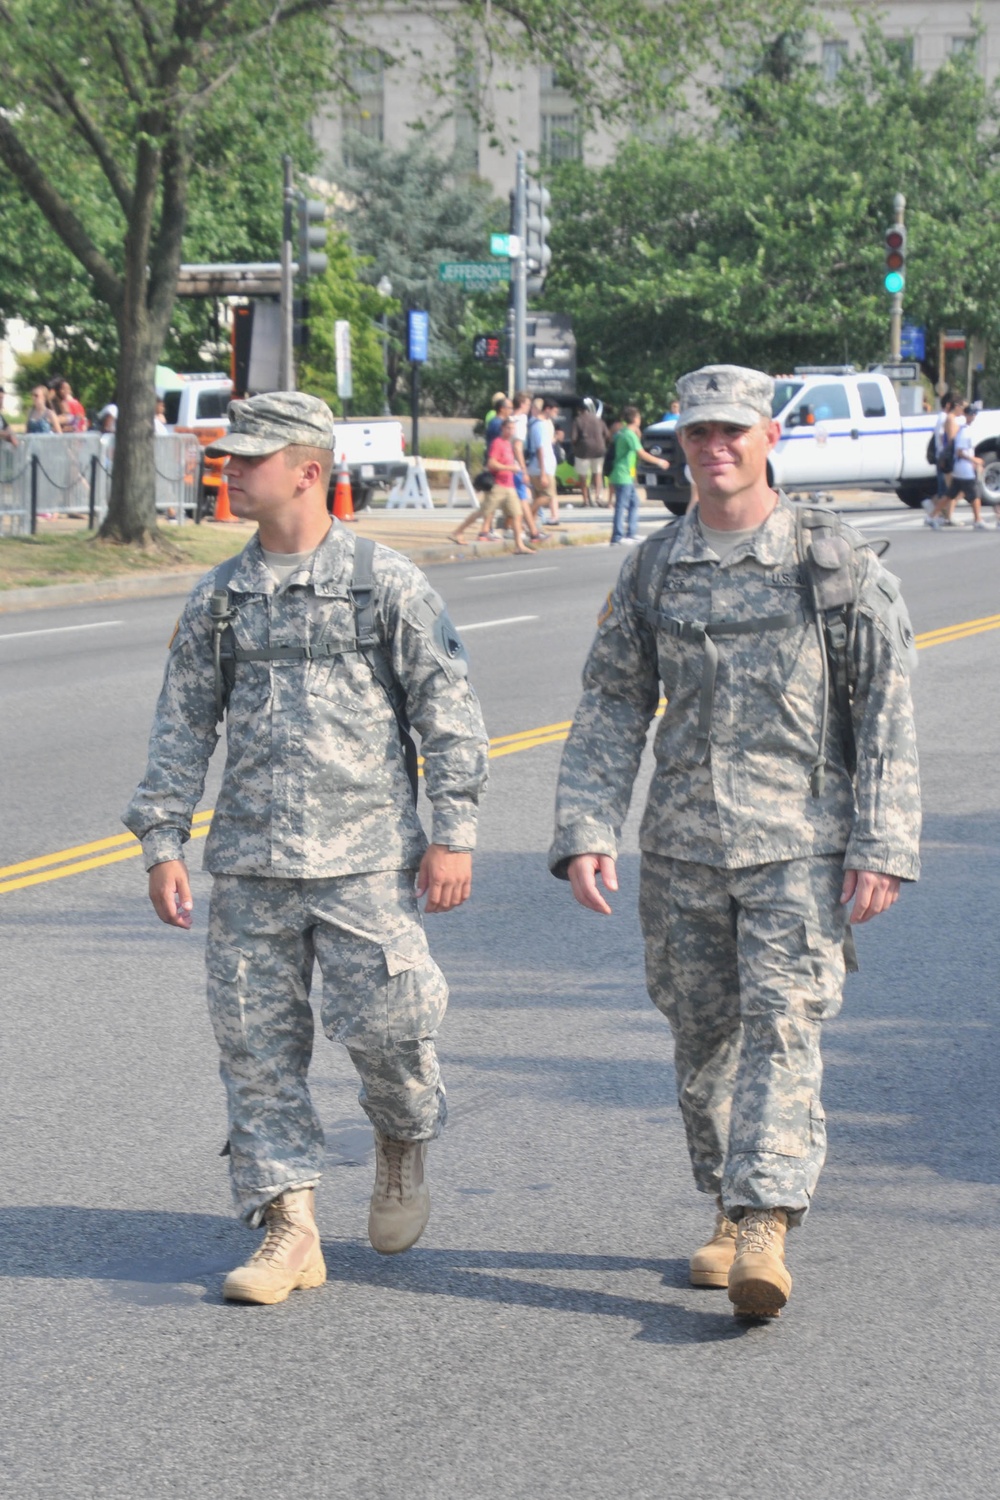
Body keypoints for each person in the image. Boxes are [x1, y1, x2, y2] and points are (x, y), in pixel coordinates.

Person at [549, 364, 920, 1320]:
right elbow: (612, 703)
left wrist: (882, 840)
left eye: (732, 432)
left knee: (786, 1024)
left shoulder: (831, 563)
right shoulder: (652, 567)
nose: (714, 448)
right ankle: (727, 1198)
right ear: (679, 445)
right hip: (681, 846)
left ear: (768, 440)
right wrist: (587, 825)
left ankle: (764, 1219)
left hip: (801, 843)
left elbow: (884, 709)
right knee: (701, 1037)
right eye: (697, 433)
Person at [124, 392, 490, 1307]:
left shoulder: (384, 583)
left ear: (308, 471)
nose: (231, 469)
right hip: (250, 865)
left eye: (250, 457)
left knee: (394, 1038)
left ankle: (402, 1144)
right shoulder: (219, 597)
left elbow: (449, 716)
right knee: (254, 1051)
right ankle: (289, 1226)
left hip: (364, 862)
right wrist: (163, 842)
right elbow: (182, 729)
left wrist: (453, 835)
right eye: (229, 456)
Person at [608, 405, 668, 545]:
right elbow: (641, 453)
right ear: (635, 418)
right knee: (621, 505)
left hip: (622, 473)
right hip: (623, 474)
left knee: (634, 502)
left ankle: (631, 533)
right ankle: (617, 536)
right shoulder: (629, 434)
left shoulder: (622, 432)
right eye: (639, 417)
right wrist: (659, 462)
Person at [938, 403, 987, 531]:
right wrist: (974, 460)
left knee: (950, 495)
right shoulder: (965, 431)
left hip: (962, 468)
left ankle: (931, 516)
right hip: (964, 468)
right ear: (969, 415)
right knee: (975, 494)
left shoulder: (964, 429)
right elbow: (960, 452)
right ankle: (978, 520)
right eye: (973, 414)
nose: (974, 416)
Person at [527, 397, 564, 527]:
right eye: (554, 411)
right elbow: (540, 449)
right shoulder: (540, 425)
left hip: (537, 467)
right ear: (547, 409)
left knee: (538, 497)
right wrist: (543, 472)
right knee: (548, 496)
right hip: (542, 468)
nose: (556, 414)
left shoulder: (535, 423)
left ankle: (531, 526)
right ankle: (525, 517)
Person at [571, 399, 611, 507]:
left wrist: (575, 446)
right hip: (599, 450)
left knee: (583, 477)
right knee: (597, 474)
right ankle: (598, 497)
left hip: (583, 451)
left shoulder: (578, 420)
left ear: (579, 410)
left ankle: (586, 501)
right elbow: (607, 435)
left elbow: (574, 438)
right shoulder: (599, 420)